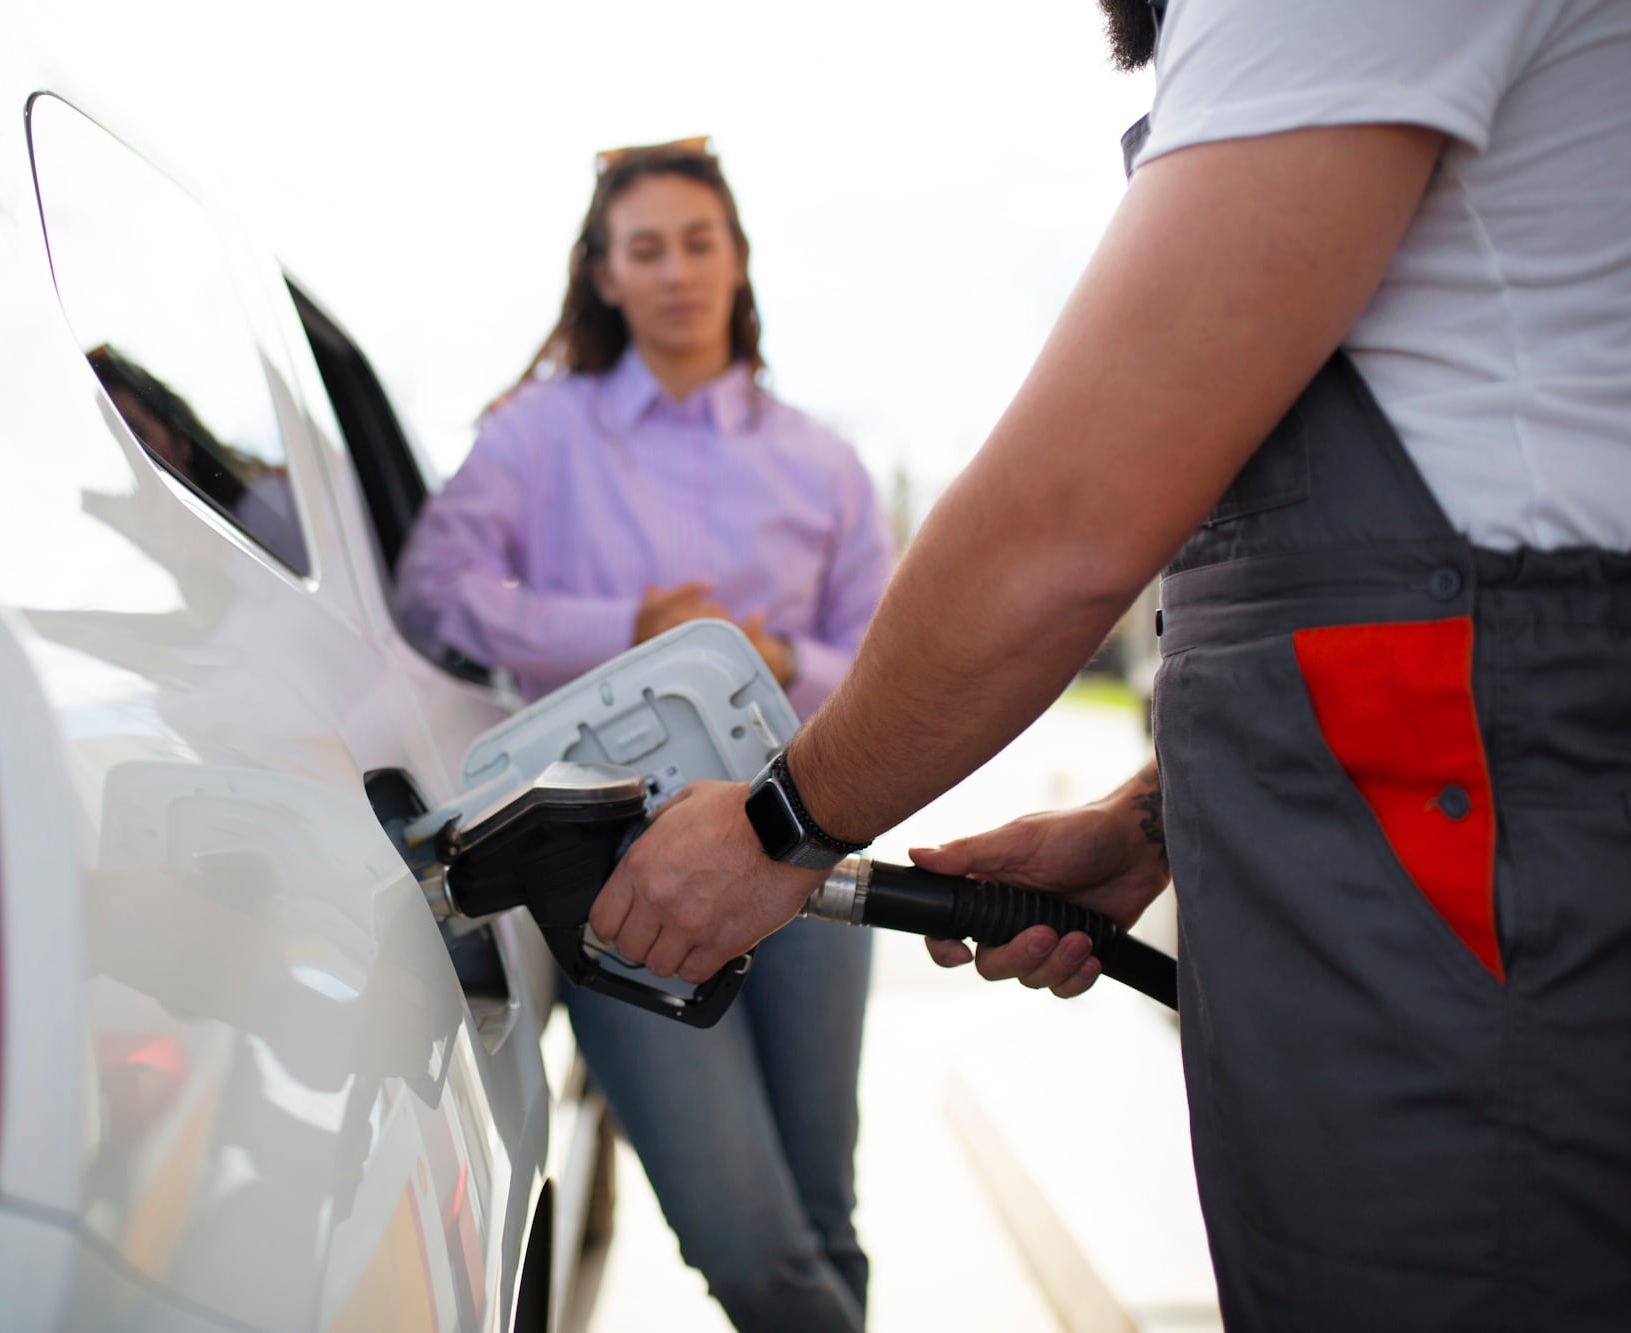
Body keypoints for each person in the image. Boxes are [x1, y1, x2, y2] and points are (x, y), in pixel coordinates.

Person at [589, 3, 1631, 1329]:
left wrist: (779, 825)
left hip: (1468, 874)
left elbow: (1065, 526)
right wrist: (1152, 818)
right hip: (1405, 859)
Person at [394, 139, 893, 1330]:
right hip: (613, 875)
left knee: (823, 1213)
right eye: (645, 248)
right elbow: (432, 591)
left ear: (736, 258)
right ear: (604, 273)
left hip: (803, 843)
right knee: (749, 1244)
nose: (674, 270)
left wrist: (782, 658)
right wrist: (618, 625)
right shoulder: (535, 434)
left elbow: (887, 660)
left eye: (696, 242)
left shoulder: (821, 462)